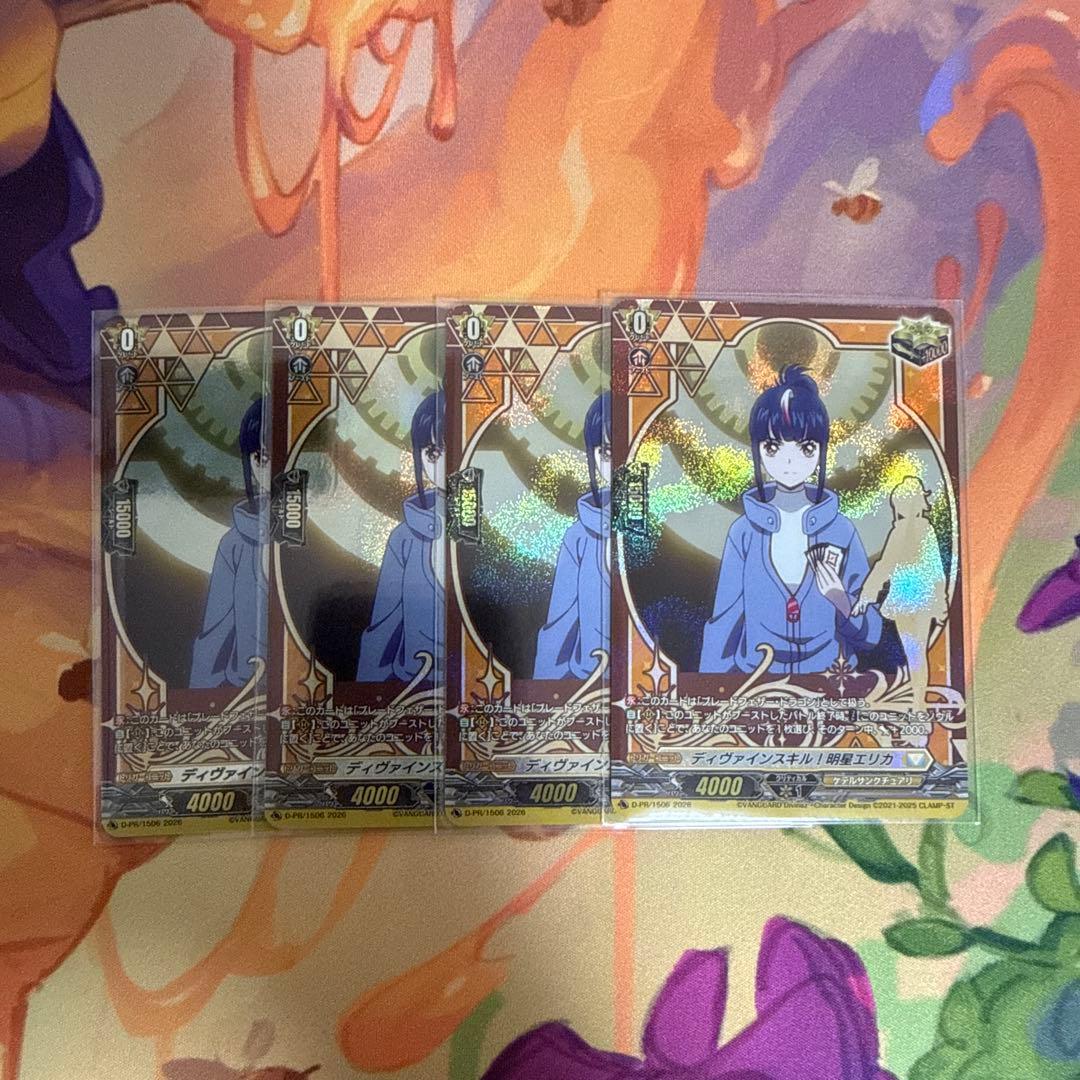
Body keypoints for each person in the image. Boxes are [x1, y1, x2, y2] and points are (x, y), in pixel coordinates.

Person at [699, 366, 881, 675]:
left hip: (830, 682)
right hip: (757, 681)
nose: (788, 461)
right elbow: (726, 621)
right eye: (772, 447)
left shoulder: (841, 531)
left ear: (821, 451)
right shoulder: (744, 533)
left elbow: (872, 633)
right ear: (758, 450)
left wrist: (840, 599)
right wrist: (710, 691)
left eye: (805, 448)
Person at [356, 390, 445, 682]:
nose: (445, 463)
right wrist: (369, 699)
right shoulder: (404, 538)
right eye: (433, 453)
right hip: (412, 687)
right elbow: (384, 627)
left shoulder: (492, 534)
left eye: (455, 449)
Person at [190, 397, 269, 689]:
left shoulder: (321, 538)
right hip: (246, 692)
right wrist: (199, 703)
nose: (271, 468)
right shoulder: (235, 544)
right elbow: (216, 632)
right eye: (262, 458)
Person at [534, 391, 611, 679]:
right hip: (587, 684)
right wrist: (546, 694)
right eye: (606, 453)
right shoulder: (579, 536)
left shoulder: (663, 530)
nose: (617, 464)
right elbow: (561, 624)